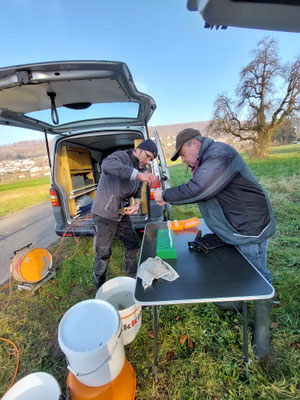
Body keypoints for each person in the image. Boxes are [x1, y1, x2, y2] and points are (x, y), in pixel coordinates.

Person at [154, 128, 276, 361]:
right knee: (237, 273)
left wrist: (166, 195)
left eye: (182, 153)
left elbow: (199, 189)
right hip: (233, 228)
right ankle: (241, 302)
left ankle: (262, 334)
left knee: (259, 279)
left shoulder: (220, 154)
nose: (183, 160)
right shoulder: (205, 160)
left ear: (195, 145)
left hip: (250, 228)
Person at [91, 139, 159, 289]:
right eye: (147, 156)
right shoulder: (121, 157)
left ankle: (131, 278)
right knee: (103, 252)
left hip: (121, 213)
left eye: (151, 160)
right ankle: (99, 285)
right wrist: (140, 175)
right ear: (139, 150)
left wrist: (135, 203)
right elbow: (106, 166)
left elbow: (136, 192)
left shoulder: (142, 169)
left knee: (133, 245)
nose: (147, 161)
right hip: (104, 212)